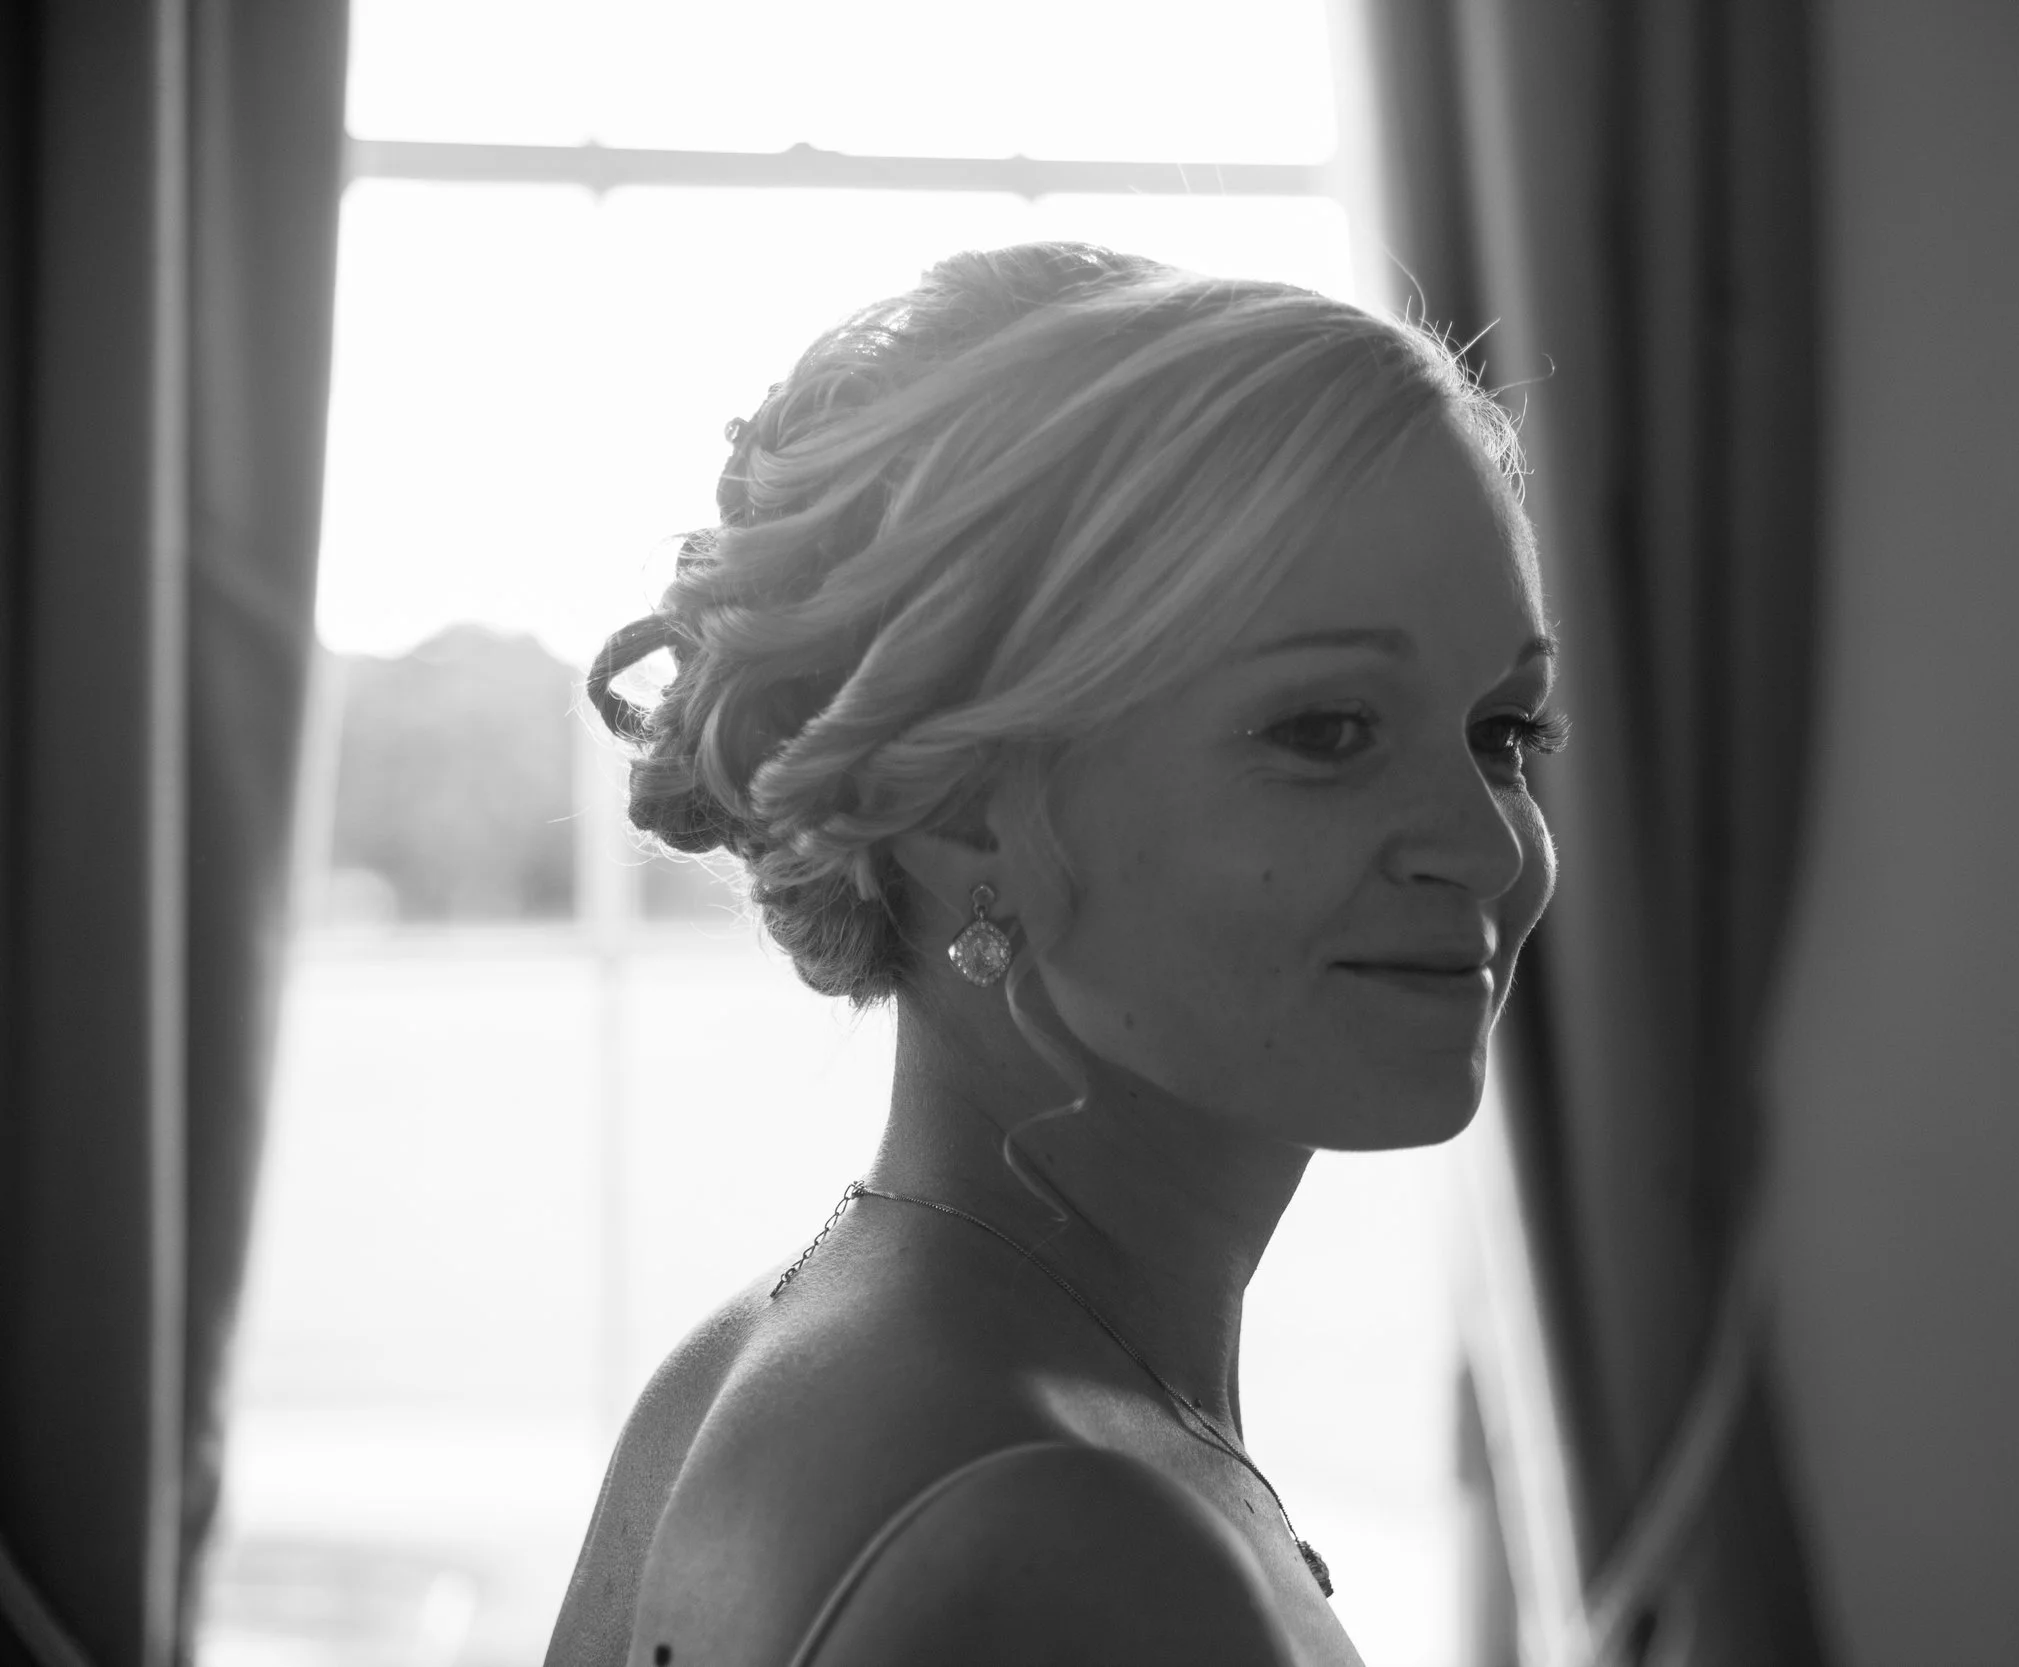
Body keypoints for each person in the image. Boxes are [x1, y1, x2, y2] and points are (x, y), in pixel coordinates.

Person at [547, 242, 1563, 1667]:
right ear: (964, 802)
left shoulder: (741, 1372)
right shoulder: (1076, 1552)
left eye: (1503, 732)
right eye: (1328, 730)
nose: (1488, 844)